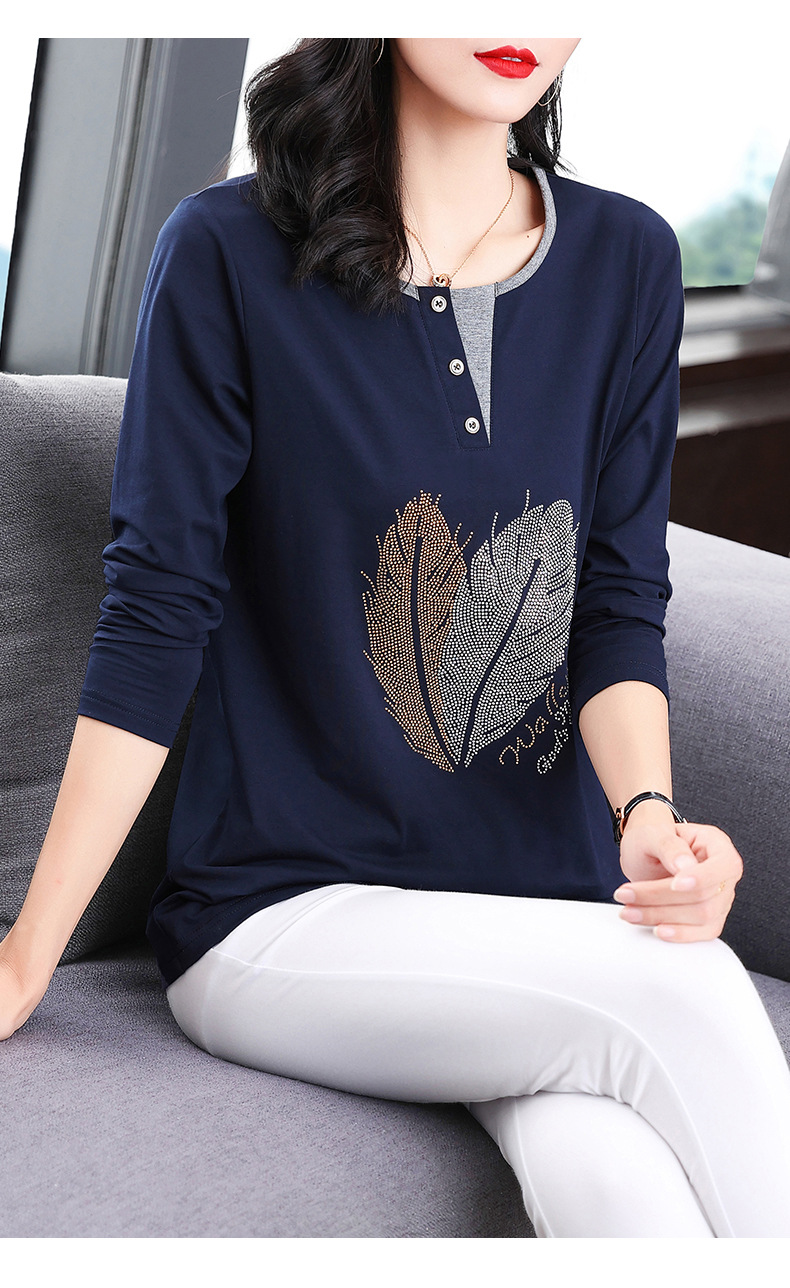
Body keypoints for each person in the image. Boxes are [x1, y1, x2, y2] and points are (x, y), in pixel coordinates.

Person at [2, 36, 790, 1239]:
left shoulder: (627, 258)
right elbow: (155, 613)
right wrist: (28, 952)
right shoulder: (225, 251)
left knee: (618, 1187)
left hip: (548, 911)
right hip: (281, 911)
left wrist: (648, 818)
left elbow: (616, 600)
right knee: (684, 991)